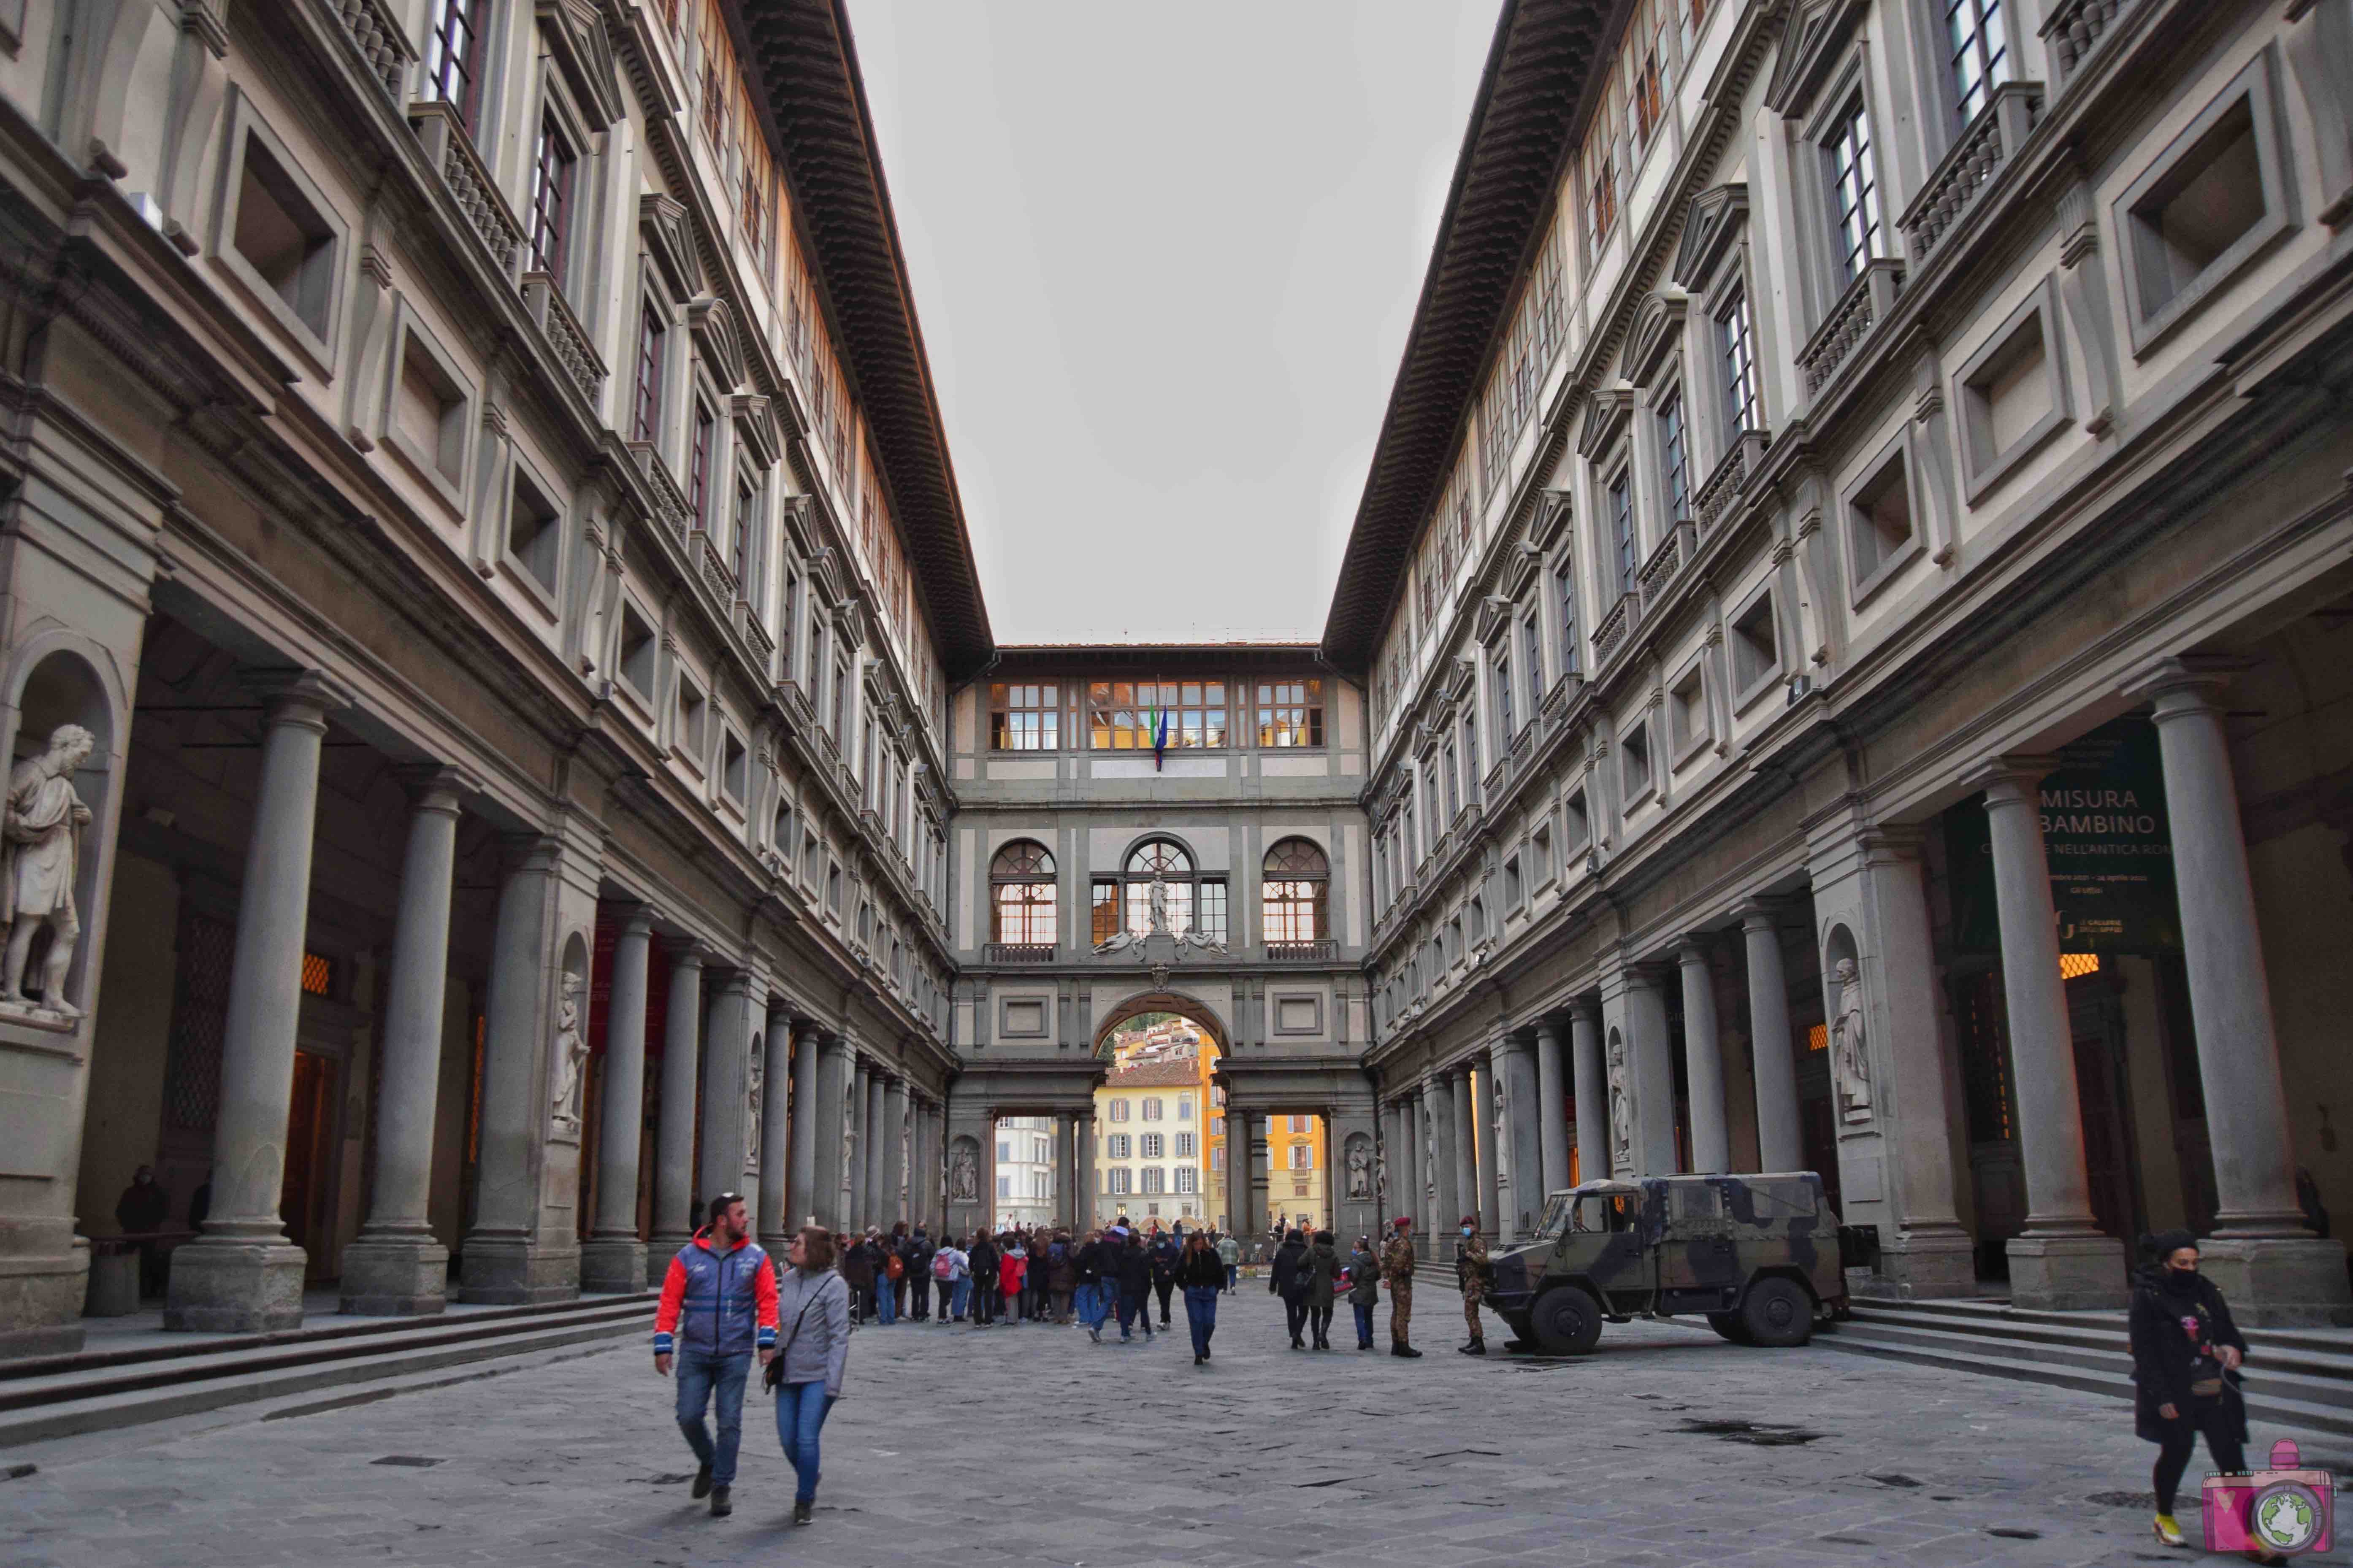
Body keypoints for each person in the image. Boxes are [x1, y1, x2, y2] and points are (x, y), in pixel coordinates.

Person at [653, 1192, 779, 1518]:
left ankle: (722, 1485)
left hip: (735, 1353)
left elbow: (768, 1302)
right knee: (688, 1415)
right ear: (722, 1220)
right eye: (740, 1214)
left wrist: (767, 1341)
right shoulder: (687, 1257)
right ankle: (709, 1462)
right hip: (695, 1350)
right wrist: (663, 1345)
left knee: (729, 1422)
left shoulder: (756, 1258)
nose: (746, 1219)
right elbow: (669, 1302)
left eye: (746, 1213)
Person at [2131, 1230, 2252, 1550]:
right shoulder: (2148, 1296)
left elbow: (2227, 1330)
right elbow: (2144, 1352)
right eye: (2182, 1262)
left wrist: (2232, 1349)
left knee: (2231, 1458)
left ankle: (2250, 1529)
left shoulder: (2206, 1291)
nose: (2189, 1268)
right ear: (2166, 1263)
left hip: (2215, 1388)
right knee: (2176, 1453)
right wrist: (2161, 1397)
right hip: (2175, 1389)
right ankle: (2164, 1516)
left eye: (2194, 1262)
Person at [768, 1225, 850, 1528]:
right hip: (788, 1373)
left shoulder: (834, 1286)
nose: (792, 1246)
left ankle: (804, 1499)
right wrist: (769, 1347)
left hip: (818, 1376)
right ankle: (809, 1472)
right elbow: (782, 1323)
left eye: (799, 1243)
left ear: (813, 1249)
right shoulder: (788, 1280)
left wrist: (833, 1382)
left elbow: (839, 1336)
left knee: (805, 1439)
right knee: (787, 1440)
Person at [114, 1165, 170, 1298]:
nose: (145, 1177)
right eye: (143, 1175)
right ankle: (127, 1288)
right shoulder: (130, 1192)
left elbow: (163, 1212)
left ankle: (150, 1290)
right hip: (132, 1231)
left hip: (149, 1232)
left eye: (148, 1175)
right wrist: (127, 1224)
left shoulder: (158, 1193)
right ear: (138, 1176)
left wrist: (153, 1225)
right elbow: (121, 1211)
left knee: (150, 1261)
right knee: (128, 1259)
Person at [1176, 1230, 1224, 1364]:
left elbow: (1221, 1271)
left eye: (1201, 1244)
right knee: (1196, 1322)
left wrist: (1217, 1287)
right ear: (1192, 1244)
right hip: (1193, 1293)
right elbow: (1178, 1273)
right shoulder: (1187, 1255)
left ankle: (1204, 1343)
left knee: (1209, 1323)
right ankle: (1198, 1353)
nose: (1199, 1246)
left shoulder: (1212, 1254)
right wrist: (1185, 1287)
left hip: (1209, 1292)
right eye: (1196, 1244)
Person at [1381, 1217, 1421, 1357]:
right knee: (1403, 1314)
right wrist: (1391, 1279)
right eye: (1409, 1227)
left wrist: (1387, 1278)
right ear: (1405, 1228)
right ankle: (1404, 1345)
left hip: (1396, 1283)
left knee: (1396, 1313)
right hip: (1402, 1283)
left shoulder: (1392, 1243)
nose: (1411, 1229)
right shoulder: (1404, 1244)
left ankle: (1396, 1345)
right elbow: (1399, 1264)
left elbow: (1386, 1263)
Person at [1455, 1214, 1490, 1355]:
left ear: (1474, 1227)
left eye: (1467, 1227)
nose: (1465, 1229)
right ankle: (1474, 1339)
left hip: (1476, 1280)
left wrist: (1468, 1255)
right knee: (1470, 1312)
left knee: (1471, 1312)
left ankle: (1479, 1343)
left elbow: (1483, 1260)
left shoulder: (1477, 1242)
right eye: (1463, 1228)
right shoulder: (1469, 1241)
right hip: (1469, 1279)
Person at [1269, 1227, 1310, 1349]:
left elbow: (1275, 1270)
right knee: (1303, 1311)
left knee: (1291, 1311)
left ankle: (1294, 1334)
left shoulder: (1282, 1252)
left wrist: (1272, 1286)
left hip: (1286, 1286)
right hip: (1303, 1286)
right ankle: (1298, 1332)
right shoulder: (1306, 1251)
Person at [1301, 1230, 1341, 1350]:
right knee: (1328, 1312)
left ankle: (1315, 1343)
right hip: (1327, 1286)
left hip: (1313, 1285)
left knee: (1315, 1315)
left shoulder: (1311, 1250)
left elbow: (1300, 1263)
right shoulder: (1333, 1254)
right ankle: (1323, 1334)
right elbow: (1338, 1273)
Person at [1114, 1227, 1155, 1342]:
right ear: (1138, 1242)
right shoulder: (1143, 1254)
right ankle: (1148, 1333)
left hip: (1126, 1286)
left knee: (1125, 1311)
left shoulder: (1123, 1254)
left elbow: (1119, 1271)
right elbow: (1146, 1273)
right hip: (1140, 1287)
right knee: (1143, 1310)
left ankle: (1124, 1334)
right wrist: (1148, 1286)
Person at [1077, 1228, 1113, 1341]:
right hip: (1097, 1277)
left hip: (1086, 1277)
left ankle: (1084, 1317)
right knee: (1094, 1298)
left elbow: (1080, 1263)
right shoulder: (1099, 1249)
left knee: (1082, 1296)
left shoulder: (1085, 1250)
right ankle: (1093, 1317)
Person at [1347, 1235, 1381, 1350]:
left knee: (1359, 1318)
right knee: (1369, 1318)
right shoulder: (1373, 1260)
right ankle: (1370, 1341)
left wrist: (1349, 1278)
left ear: (1361, 1249)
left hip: (1359, 1293)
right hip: (1371, 1293)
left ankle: (1363, 1340)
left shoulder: (1356, 1261)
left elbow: (1354, 1277)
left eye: (1355, 1248)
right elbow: (1378, 1276)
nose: (1354, 1250)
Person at [839, 1229, 875, 1325]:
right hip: (863, 1279)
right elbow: (868, 1267)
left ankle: (855, 1315)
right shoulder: (865, 1251)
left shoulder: (851, 1251)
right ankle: (861, 1317)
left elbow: (847, 1266)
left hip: (853, 1279)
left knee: (855, 1298)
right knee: (863, 1298)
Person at [1149, 1227, 1181, 1327]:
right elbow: (1149, 1263)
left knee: (1166, 1299)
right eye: (1158, 1242)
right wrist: (1156, 1262)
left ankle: (1164, 1320)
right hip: (1158, 1279)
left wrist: (1171, 1271)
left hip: (1169, 1279)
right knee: (1162, 1299)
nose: (1160, 1244)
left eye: (1162, 1242)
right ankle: (1167, 1320)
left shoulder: (1173, 1250)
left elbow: (1178, 1262)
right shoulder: (1154, 1251)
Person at [967, 1230, 999, 1326]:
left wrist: (973, 1271)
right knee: (988, 1297)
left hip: (978, 1275)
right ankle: (988, 1321)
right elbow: (996, 1261)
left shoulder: (975, 1248)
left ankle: (978, 1321)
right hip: (989, 1275)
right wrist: (997, 1272)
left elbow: (971, 1262)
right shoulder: (990, 1247)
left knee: (977, 1298)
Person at [906, 1225, 936, 1322]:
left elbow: (905, 1256)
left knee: (915, 1294)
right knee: (924, 1294)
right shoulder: (927, 1244)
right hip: (925, 1272)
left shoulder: (909, 1243)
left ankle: (915, 1315)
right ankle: (923, 1314)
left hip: (912, 1272)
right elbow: (933, 1256)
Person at [1046, 1230, 1076, 1322]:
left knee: (1056, 1297)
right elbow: (1073, 1258)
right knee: (1065, 1296)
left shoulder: (1051, 1247)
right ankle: (1064, 1318)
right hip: (1066, 1274)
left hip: (1053, 1274)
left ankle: (1057, 1317)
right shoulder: (1068, 1247)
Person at [999, 1234, 1027, 1322]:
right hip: (1016, 1279)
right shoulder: (1019, 1254)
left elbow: (1005, 1271)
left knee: (1009, 1302)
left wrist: (1002, 1283)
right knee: (1015, 1301)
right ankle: (1015, 1319)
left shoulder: (1007, 1256)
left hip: (1009, 1281)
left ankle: (1011, 1320)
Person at [1215, 1229, 1240, 1293]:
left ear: (1225, 1236)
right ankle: (1233, 1287)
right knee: (1232, 1275)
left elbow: (1219, 1254)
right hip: (1233, 1261)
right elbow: (1238, 1253)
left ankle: (1225, 1290)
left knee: (1225, 1276)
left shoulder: (1221, 1243)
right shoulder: (1235, 1243)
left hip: (1224, 1262)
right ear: (1231, 1236)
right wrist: (1236, 1260)